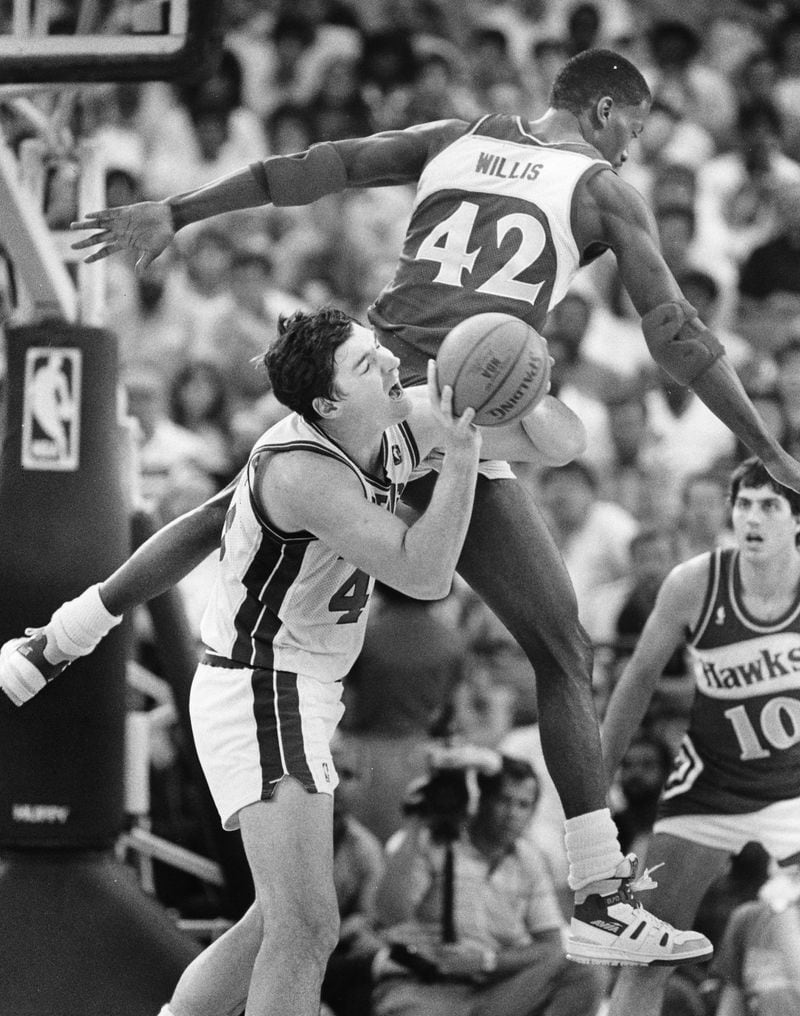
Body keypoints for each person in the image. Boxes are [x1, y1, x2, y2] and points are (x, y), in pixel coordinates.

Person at [51, 45, 800, 964]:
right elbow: (678, 335)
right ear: (607, 114)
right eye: (636, 132)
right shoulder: (602, 189)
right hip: (443, 413)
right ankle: (601, 891)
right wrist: (766, 446)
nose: (635, 151)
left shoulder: (459, 135)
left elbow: (318, 167)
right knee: (561, 639)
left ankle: (72, 629)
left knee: (229, 511)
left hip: (362, 385)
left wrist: (178, 209)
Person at [1, 306, 588, 1016]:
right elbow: (426, 575)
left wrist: (532, 381)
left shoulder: (395, 416)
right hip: (262, 684)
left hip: (295, 688)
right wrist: (465, 456)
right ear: (328, 403)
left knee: (274, 922)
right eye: (366, 364)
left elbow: (557, 442)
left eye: (379, 351)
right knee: (308, 925)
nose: (389, 364)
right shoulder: (302, 473)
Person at [601, 456, 800, 1016]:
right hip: (711, 782)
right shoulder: (695, 582)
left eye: (770, 505)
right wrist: (596, 776)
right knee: (643, 953)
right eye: (744, 505)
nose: (753, 517)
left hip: (792, 787)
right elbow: (638, 678)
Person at [371, 753, 604, 1016]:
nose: (512, 814)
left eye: (523, 804)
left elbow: (550, 946)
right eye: (503, 800)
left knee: (583, 970)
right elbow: (390, 914)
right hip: (423, 987)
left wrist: (488, 962)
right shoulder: (432, 840)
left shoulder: (529, 858)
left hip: (492, 991)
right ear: (481, 800)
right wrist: (415, 822)